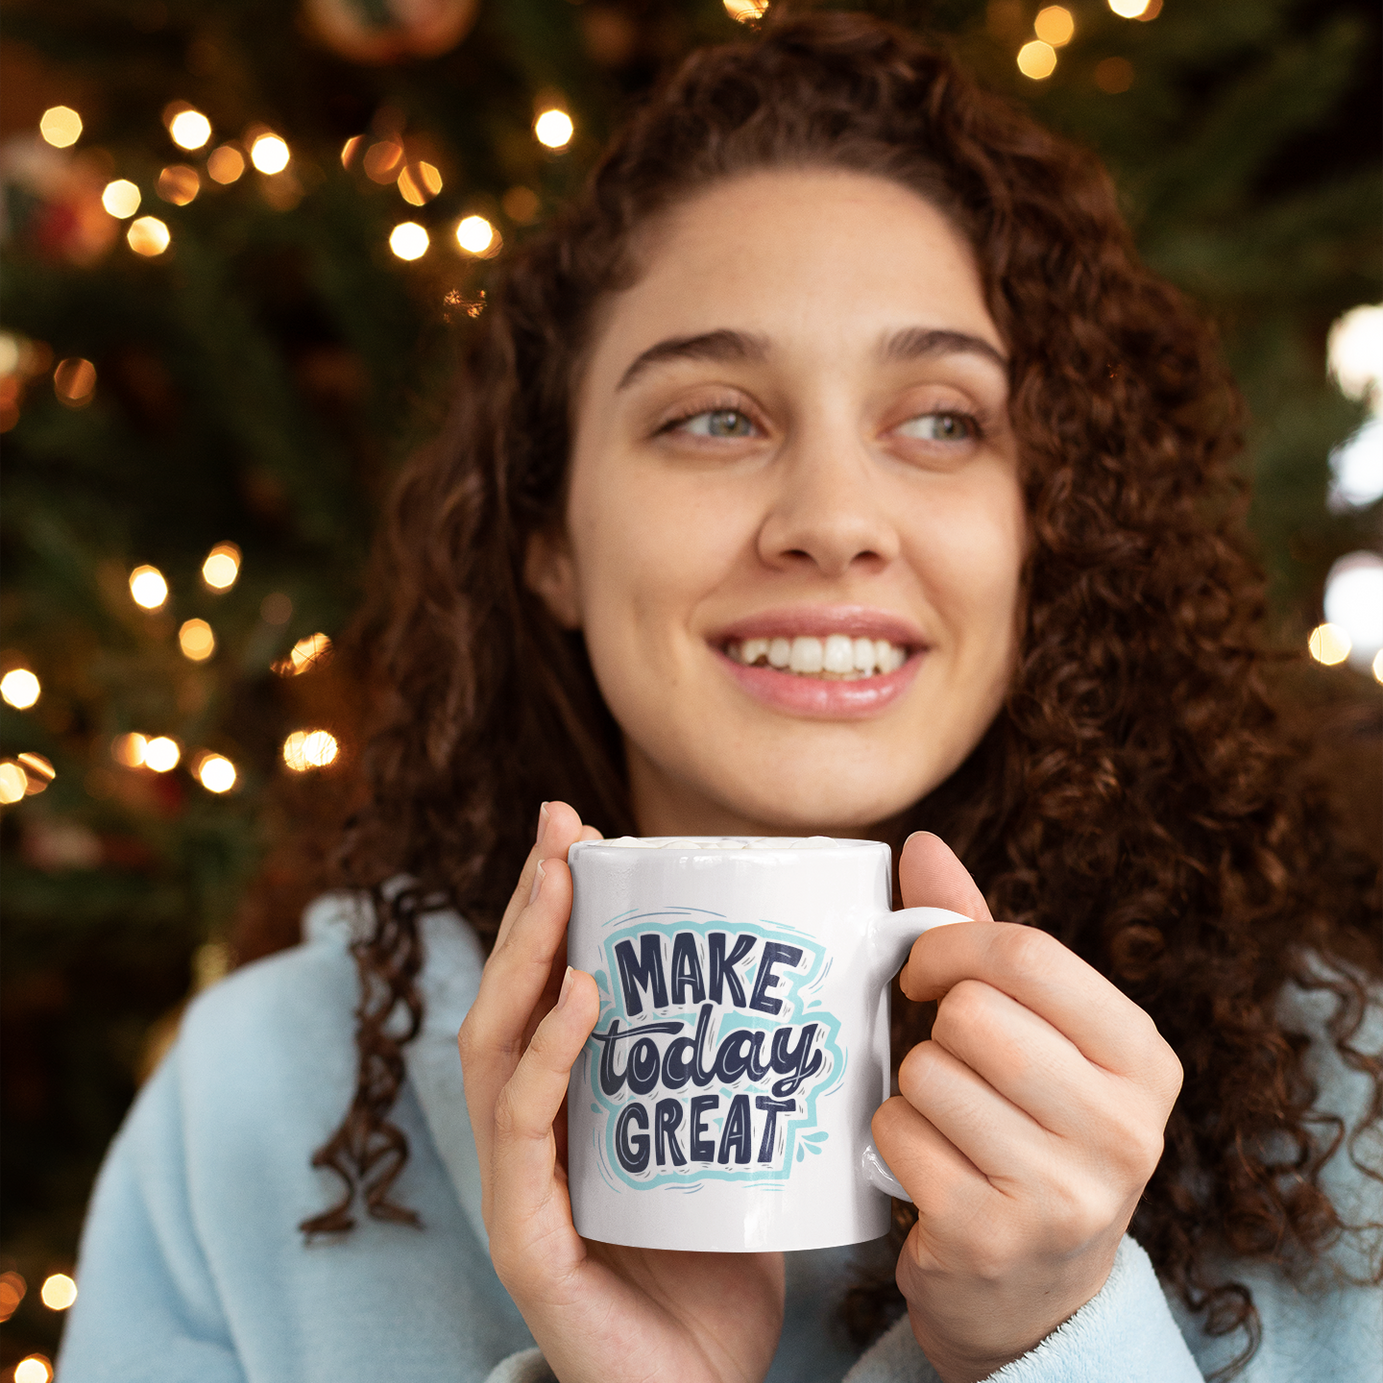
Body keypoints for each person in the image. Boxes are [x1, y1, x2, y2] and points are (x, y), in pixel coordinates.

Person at [59, 13, 1380, 1383]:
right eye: (713, 417)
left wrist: (1057, 1339)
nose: (831, 519)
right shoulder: (260, 1100)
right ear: (549, 537)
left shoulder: (1330, 1112)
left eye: (942, 419)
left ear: (1050, 530)